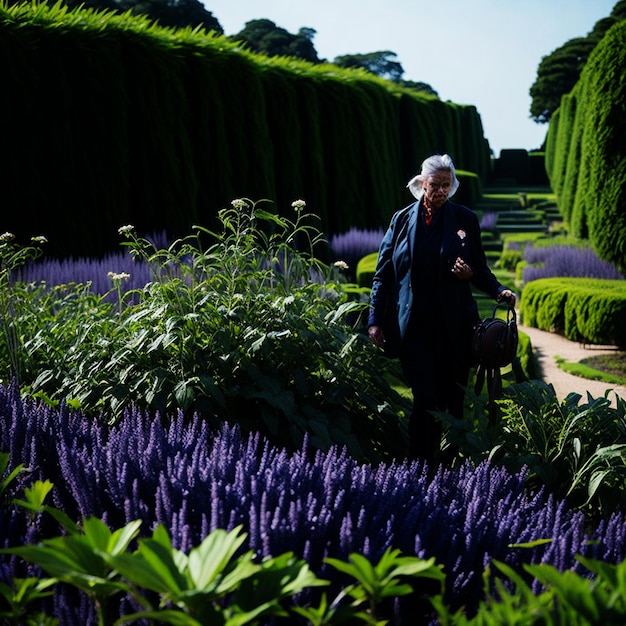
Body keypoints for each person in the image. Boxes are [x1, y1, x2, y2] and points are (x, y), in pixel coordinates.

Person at [367, 154, 515, 464]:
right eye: (435, 185)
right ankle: (419, 468)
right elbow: (383, 276)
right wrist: (375, 322)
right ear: (422, 183)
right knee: (425, 400)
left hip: (455, 330)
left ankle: (448, 472)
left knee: (452, 403)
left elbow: (480, 269)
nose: (441, 192)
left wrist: (495, 288)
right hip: (414, 329)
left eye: (447, 186)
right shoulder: (401, 220)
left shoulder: (464, 219)